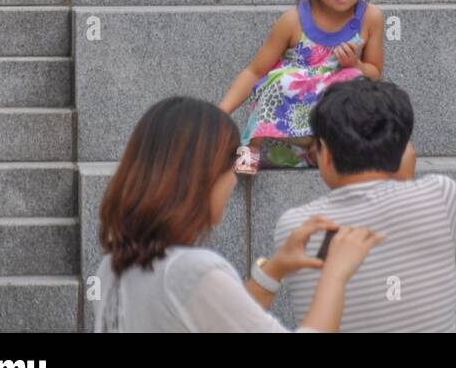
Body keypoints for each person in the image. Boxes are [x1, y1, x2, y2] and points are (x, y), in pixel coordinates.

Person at [93, 95, 384, 332]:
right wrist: (335, 275)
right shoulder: (193, 270)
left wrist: (276, 268)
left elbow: (220, 320)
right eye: (231, 164)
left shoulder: (112, 268)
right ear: (202, 177)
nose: (234, 179)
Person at [273, 78, 456, 332]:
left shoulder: (295, 227)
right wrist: (406, 184)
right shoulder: (441, 194)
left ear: (327, 155)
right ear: (403, 150)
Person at [218, 0, 385, 172]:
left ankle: (321, 150)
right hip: (291, 111)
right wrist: (222, 111)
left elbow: (375, 72)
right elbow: (255, 71)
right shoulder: (293, 20)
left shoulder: (371, 18)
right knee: (281, 80)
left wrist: (357, 64)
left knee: (353, 79)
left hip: (332, 116)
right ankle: (253, 147)